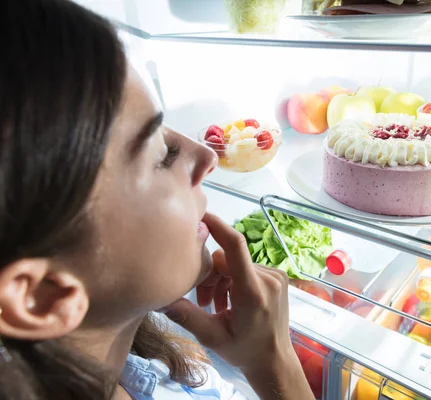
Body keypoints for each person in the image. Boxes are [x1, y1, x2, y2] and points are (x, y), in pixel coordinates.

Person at [0, 1, 314, 399]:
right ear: (42, 295)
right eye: (160, 154)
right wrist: (276, 364)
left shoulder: (147, 364)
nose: (207, 156)